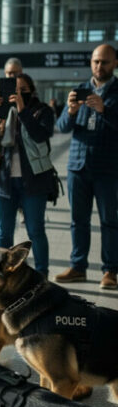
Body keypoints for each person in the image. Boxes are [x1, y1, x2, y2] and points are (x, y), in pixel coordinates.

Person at [55, 43, 118, 289]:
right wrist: (70, 111)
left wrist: (104, 110)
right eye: (95, 61)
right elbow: (62, 127)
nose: (99, 66)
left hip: (108, 168)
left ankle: (110, 271)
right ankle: (78, 266)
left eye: (104, 61)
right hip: (78, 167)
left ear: (115, 64)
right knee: (77, 220)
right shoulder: (79, 90)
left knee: (109, 221)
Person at [0, 73, 54, 275]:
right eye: (14, 90)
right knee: (4, 234)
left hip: (34, 181)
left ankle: (42, 275)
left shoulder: (42, 110)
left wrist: (22, 110)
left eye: (23, 90)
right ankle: (2, 274)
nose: (17, 94)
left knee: (36, 231)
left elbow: (41, 136)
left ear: (31, 90)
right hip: (4, 182)